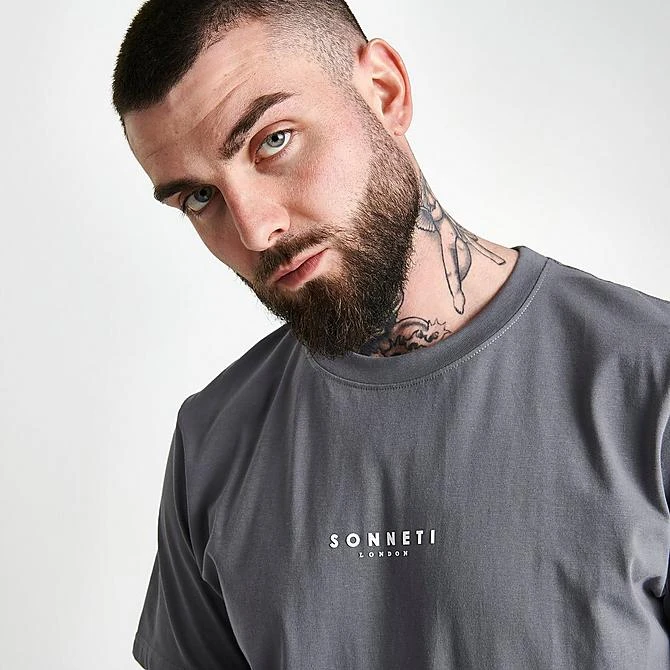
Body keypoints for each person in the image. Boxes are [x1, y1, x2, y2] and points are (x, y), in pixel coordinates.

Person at [112, 1, 670, 668]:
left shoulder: (650, 378)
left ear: (385, 91)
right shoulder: (213, 442)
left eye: (273, 140)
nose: (256, 230)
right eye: (199, 198)